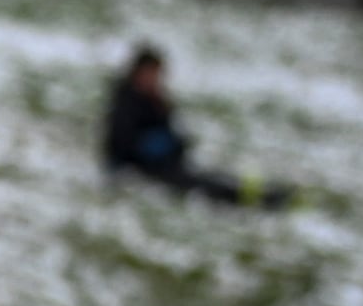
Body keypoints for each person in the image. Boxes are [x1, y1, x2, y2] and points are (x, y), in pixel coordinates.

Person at [98, 44, 287, 206]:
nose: (157, 79)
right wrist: (161, 147)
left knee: (213, 177)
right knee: (206, 187)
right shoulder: (126, 103)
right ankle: (259, 199)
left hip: (168, 165)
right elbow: (123, 145)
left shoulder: (153, 101)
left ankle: (266, 194)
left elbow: (169, 132)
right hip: (147, 170)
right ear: (139, 72)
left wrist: (175, 142)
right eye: (153, 73)